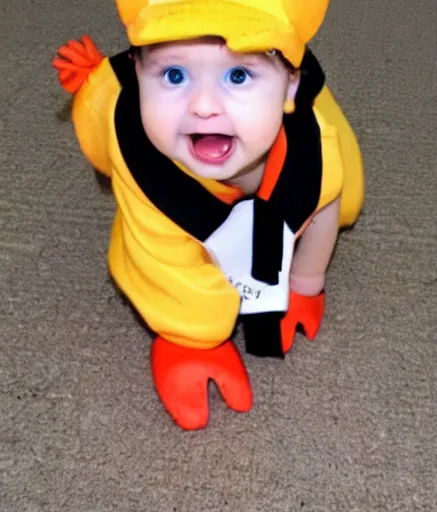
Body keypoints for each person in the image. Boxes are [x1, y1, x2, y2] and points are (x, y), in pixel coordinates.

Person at [52, 0, 365, 430]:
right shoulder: (140, 157)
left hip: (292, 114)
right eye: (173, 75)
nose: (202, 106)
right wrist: (193, 339)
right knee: (105, 133)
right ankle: (109, 79)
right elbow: (160, 263)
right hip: (138, 133)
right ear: (139, 74)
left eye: (238, 75)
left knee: (345, 195)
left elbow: (325, 202)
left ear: (293, 85)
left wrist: (307, 281)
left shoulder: (312, 144)